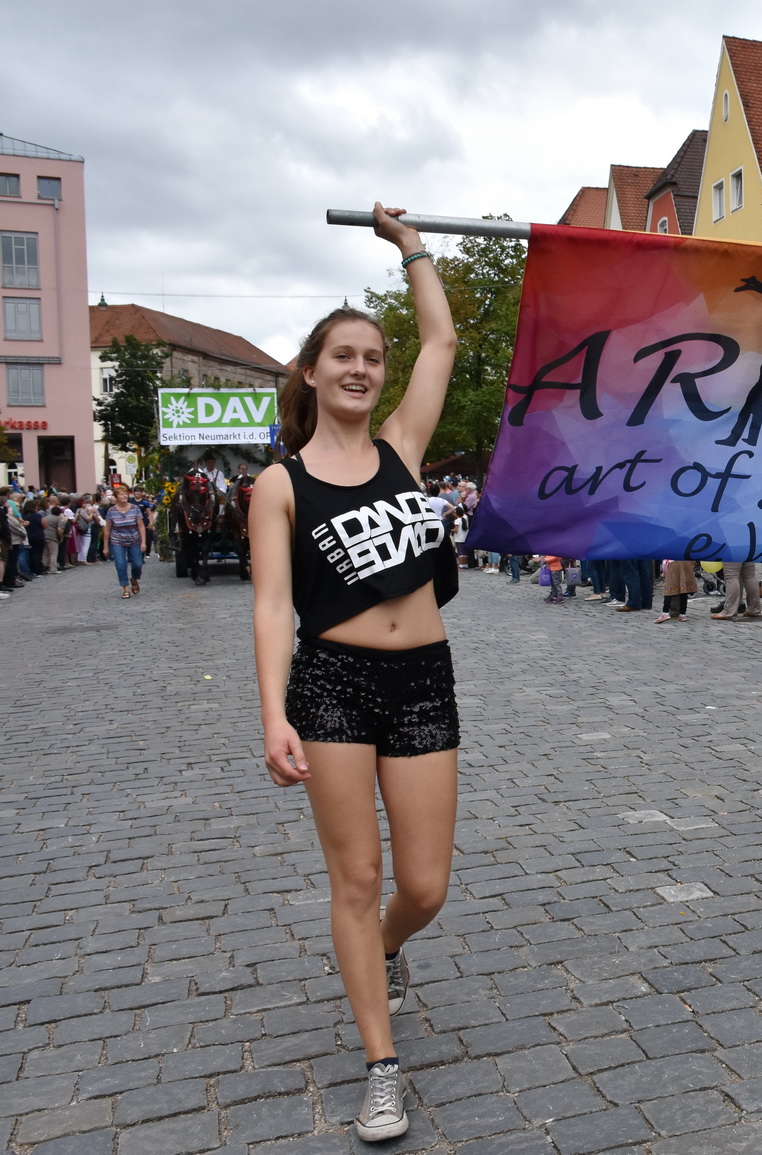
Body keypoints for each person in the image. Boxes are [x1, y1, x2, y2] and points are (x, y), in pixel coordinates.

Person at [250, 205, 459, 1143]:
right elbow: (268, 605)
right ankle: (381, 1064)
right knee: (356, 874)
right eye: (343, 354)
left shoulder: (404, 448)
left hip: (423, 680)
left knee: (422, 887)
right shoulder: (281, 483)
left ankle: (384, 952)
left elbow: (443, 335)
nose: (362, 368)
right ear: (311, 370)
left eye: (373, 356)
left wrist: (408, 246)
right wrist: (273, 716)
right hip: (331, 684)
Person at [103, 482, 148, 598]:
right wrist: (105, 546)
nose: (124, 496)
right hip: (117, 540)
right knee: (121, 564)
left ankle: (134, 579)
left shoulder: (135, 508)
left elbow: (141, 526)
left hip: (134, 539)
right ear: (116, 497)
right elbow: (107, 529)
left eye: (125, 494)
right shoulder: (111, 511)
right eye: (121, 494)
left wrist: (143, 542)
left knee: (137, 564)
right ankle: (125, 588)